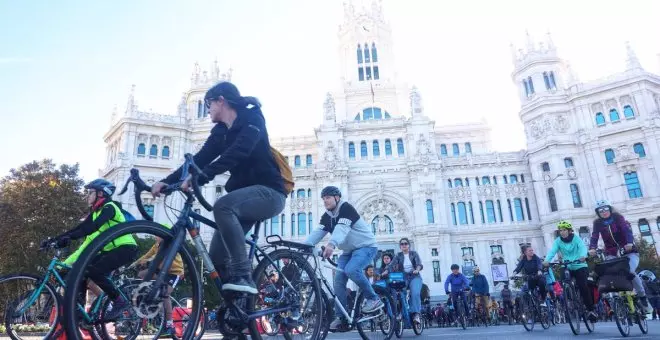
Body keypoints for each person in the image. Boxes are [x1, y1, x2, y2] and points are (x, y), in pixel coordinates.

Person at [151, 81, 287, 294]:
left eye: (209, 104)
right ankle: (239, 311)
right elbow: (200, 159)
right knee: (217, 258)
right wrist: (167, 181)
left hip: (270, 193)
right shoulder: (219, 132)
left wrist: (202, 177)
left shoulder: (253, 117)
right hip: (243, 201)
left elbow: (240, 151)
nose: (207, 110)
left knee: (222, 206)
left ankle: (243, 275)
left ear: (221, 100)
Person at [44, 179, 138, 320]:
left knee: (95, 272)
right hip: (109, 250)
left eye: (90, 192)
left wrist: (69, 238)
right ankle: (79, 313)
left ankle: (120, 302)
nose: (87, 196)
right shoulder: (95, 212)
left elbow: (91, 228)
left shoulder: (110, 207)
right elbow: (79, 229)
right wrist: (55, 240)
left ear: (101, 193)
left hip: (126, 248)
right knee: (80, 270)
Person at [305, 186, 383, 330]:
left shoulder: (346, 208)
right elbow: (318, 232)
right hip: (348, 251)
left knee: (351, 270)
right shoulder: (327, 216)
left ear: (337, 197)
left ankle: (374, 299)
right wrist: (303, 247)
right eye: (323, 198)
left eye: (327, 197)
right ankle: (342, 318)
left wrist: (332, 244)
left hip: (366, 247)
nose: (325, 201)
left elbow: (342, 228)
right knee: (338, 280)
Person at [589, 200, 651, 313]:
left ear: (610, 208)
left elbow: (626, 230)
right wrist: (592, 248)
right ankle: (618, 298)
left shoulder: (618, 218)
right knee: (609, 273)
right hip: (612, 253)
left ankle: (642, 297)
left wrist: (629, 243)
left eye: (606, 209)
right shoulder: (597, 223)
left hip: (629, 252)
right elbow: (594, 236)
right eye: (600, 210)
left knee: (630, 271)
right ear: (597, 212)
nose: (604, 212)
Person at [131, 224, 183, 336]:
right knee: (142, 274)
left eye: (158, 235)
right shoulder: (156, 245)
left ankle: (169, 325)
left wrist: (149, 261)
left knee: (165, 295)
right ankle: (149, 292)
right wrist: (134, 264)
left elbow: (161, 259)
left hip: (174, 273)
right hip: (162, 272)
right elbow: (146, 255)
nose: (155, 237)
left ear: (164, 235)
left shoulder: (170, 245)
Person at [543, 220, 598, 321]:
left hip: (580, 265)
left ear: (569, 230)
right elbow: (552, 251)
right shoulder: (558, 241)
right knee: (563, 281)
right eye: (560, 230)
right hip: (567, 265)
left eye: (564, 230)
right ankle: (570, 299)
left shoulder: (576, 239)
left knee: (583, 286)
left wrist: (583, 256)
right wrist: (547, 261)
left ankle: (591, 310)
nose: (562, 232)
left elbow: (582, 248)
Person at [381, 237, 424, 323]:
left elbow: (419, 264)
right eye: (402, 244)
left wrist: (417, 270)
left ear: (409, 245)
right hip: (403, 278)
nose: (404, 245)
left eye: (405, 243)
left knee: (415, 293)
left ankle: (416, 314)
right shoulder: (398, 255)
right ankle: (399, 312)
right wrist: (385, 271)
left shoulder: (414, 253)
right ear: (400, 246)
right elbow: (391, 265)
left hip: (414, 276)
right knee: (399, 294)